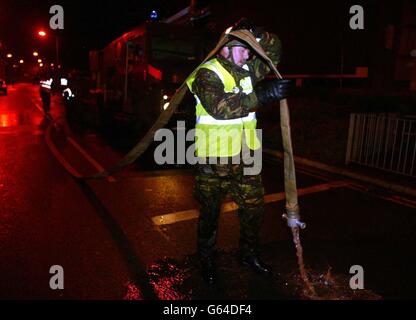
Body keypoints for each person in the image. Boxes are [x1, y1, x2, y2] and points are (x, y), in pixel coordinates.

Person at [186, 18, 293, 284]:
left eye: (250, 48)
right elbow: (220, 107)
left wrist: (259, 33)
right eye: (244, 48)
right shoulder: (206, 73)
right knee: (210, 214)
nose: (249, 54)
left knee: (254, 209)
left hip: (247, 158)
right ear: (226, 48)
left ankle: (248, 254)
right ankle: (206, 258)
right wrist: (264, 96)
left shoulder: (247, 69)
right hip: (214, 160)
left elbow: (275, 51)